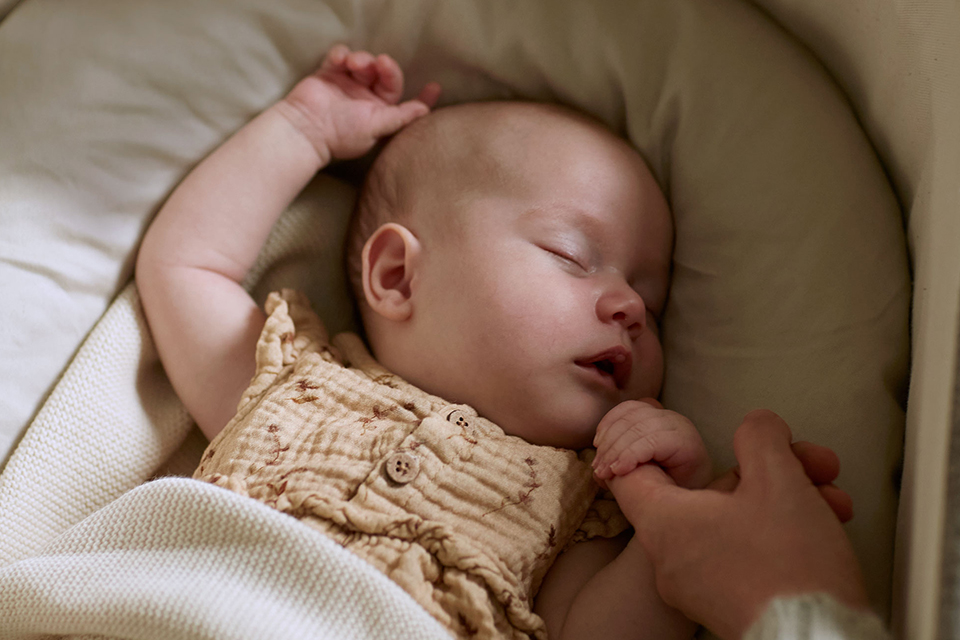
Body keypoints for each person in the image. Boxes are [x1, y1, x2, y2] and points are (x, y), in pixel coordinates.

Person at [135, 44, 872, 640]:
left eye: (651, 302)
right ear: (397, 276)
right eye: (571, 256)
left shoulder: (580, 503)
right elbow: (185, 264)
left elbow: (596, 630)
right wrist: (303, 129)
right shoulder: (293, 384)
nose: (629, 309)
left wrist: (672, 516)